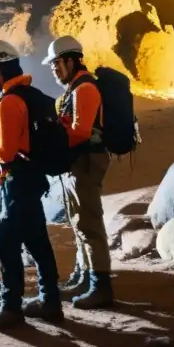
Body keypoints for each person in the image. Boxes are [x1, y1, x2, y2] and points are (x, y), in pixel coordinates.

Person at [0, 39, 63, 329]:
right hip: (32, 179)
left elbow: (5, 152)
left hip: (16, 182)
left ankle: (11, 307)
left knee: (5, 243)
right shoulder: (29, 94)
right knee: (37, 241)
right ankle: (51, 302)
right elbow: (13, 140)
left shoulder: (9, 101)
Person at [44, 36, 113, 309]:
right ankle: (85, 278)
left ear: (71, 60)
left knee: (89, 223)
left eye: (57, 64)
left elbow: (81, 132)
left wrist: (53, 145)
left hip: (87, 161)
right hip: (77, 162)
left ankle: (101, 286)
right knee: (79, 223)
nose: (54, 70)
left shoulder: (85, 89)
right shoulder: (75, 88)